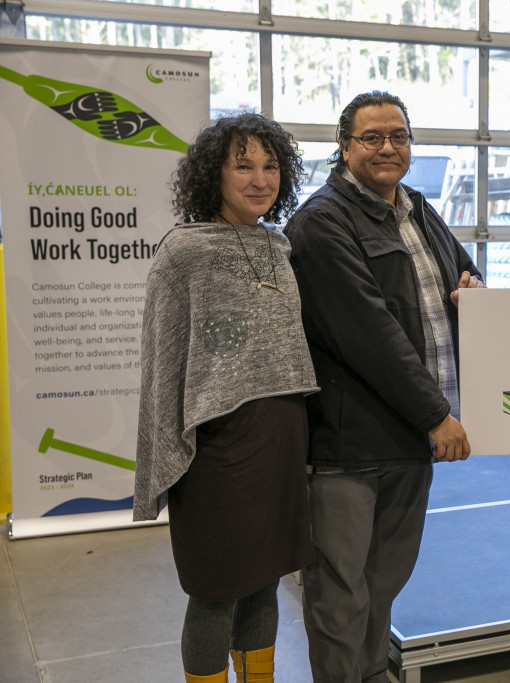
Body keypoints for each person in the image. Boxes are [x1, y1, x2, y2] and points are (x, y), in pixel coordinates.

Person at [284, 90, 483, 683]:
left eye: (398, 136)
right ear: (344, 147)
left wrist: (473, 289)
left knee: (384, 582)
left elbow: (465, 276)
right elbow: (368, 331)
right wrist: (435, 415)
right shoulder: (321, 222)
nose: (387, 147)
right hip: (348, 445)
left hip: (408, 439)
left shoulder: (418, 210)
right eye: (372, 137)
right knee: (341, 591)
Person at [133, 112, 319, 682]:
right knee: (215, 591)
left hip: (282, 437)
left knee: (265, 577)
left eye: (270, 166)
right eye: (244, 166)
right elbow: (162, 362)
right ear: (213, 175)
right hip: (216, 451)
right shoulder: (182, 253)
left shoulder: (279, 248)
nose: (260, 179)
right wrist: (164, 448)